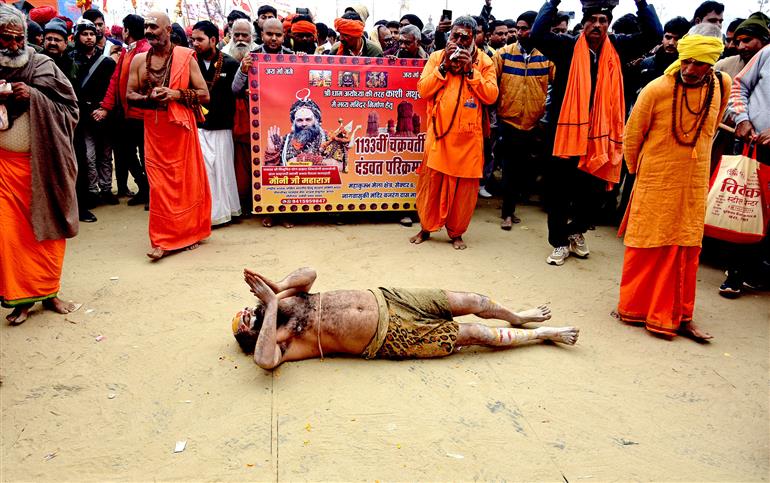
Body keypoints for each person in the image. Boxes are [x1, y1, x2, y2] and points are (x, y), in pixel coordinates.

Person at [615, 26, 730, 340]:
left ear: (713, 63)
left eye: (700, 63)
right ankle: (635, 308)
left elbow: (713, 124)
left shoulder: (722, 84)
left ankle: (678, 314)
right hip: (655, 180)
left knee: (685, 249)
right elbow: (632, 136)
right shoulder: (656, 88)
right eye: (687, 61)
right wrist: (640, 175)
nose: (691, 70)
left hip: (693, 186)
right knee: (646, 246)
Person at [233, 267, 578, 370]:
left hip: (391, 298)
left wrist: (275, 288)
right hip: (391, 337)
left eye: (245, 311)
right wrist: (271, 307)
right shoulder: (282, 341)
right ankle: (543, 334)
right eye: (244, 321)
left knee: (474, 300)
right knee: (476, 334)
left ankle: (517, 317)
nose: (248, 312)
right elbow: (266, 363)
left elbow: (309, 274)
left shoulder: (282, 300)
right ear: (251, 337)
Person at [530, 0, 662, 266]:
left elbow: (654, 35)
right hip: (565, 136)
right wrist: (553, 2)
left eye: (603, 21)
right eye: (593, 20)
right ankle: (558, 243)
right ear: (584, 22)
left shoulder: (619, 46)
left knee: (594, 192)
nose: (598, 25)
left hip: (602, 137)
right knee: (558, 191)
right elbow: (537, 35)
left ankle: (576, 231)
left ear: (608, 24)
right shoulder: (567, 46)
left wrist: (640, 3)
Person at [0, 5, 81, 324]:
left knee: (48, 230)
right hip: (5, 171)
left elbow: (70, 108)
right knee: (9, 234)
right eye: (6, 40)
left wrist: (33, 95)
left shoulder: (42, 65)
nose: (15, 46)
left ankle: (50, 292)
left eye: (19, 39)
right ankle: (21, 300)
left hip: (43, 166)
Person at [126, 12, 212, 260]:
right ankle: (163, 239)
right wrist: (149, 98)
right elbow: (129, 95)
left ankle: (190, 233)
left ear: (168, 30)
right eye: (146, 27)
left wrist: (174, 95)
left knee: (185, 183)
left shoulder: (185, 57)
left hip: (181, 129)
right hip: (154, 129)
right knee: (159, 185)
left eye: (154, 26)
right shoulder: (139, 60)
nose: (149, 31)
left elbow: (204, 94)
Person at [410, 16, 498, 250]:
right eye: (455, 36)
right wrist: (444, 67)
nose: (459, 41)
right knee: (431, 186)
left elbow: (491, 95)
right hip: (439, 136)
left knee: (464, 193)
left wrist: (471, 71)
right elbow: (423, 90)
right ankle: (426, 228)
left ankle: (457, 233)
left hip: (469, 139)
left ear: (474, 38)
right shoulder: (437, 57)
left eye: (465, 37)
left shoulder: (485, 62)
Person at [493, 10, 554, 229]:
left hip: (534, 124)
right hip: (508, 122)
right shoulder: (503, 54)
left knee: (524, 170)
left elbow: (560, 85)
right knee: (509, 168)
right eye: (518, 28)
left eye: (525, 28)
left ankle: (513, 208)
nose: (520, 32)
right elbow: (491, 85)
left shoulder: (547, 58)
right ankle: (507, 213)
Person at [719, 43, 770, 297]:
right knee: (744, 205)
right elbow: (739, 86)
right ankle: (736, 273)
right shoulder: (767, 53)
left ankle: (759, 272)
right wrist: (742, 119)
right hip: (752, 144)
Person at [93, 14, 150, 207]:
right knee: (126, 153)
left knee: (146, 155)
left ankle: (151, 192)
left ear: (127, 31)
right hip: (127, 114)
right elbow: (115, 81)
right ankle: (144, 188)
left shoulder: (145, 51)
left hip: (144, 115)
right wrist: (106, 107)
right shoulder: (128, 52)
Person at [191, 20, 242, 227]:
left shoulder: (229, 64)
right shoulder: (189, 63)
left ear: (213, 40)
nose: (195, 43)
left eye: (200, 39)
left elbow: (237, 93)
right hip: (199, 127)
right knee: (205, 172)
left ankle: (227, 212)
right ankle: (208, 214)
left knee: (223, 171)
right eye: (193, 39)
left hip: (222, 127)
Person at [69, 18, 118, 217]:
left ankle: (106, 189)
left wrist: (104, 109)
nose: (89, 38)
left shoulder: (106, 61)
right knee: (88, 156)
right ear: (77, 36)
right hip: (83, 116)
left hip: (104, 114)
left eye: (92, 34)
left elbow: (112, 88)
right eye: (85, 34)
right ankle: (92, 191)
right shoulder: (71, 59)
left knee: (106, 154)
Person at [264, 96, 336, 166]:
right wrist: (272, 152)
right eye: (299, 120)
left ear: (317, 120)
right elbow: (271, 173)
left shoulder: (329, 139)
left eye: (308, 119)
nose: (304, 124)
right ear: (294, 122)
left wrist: (305, 160)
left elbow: (338, 165)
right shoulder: (285, 141)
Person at [637, 17, 690, 91]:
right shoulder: (646, 64)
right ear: (662, 38)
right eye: (668, 37)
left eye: (677, 39)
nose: (671, 43)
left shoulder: (689, 67)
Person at [714, 13, 770, 79]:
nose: (740, 47)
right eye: (737, 42)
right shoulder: (722, 66)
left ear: (764, 41)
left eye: (747, 40)